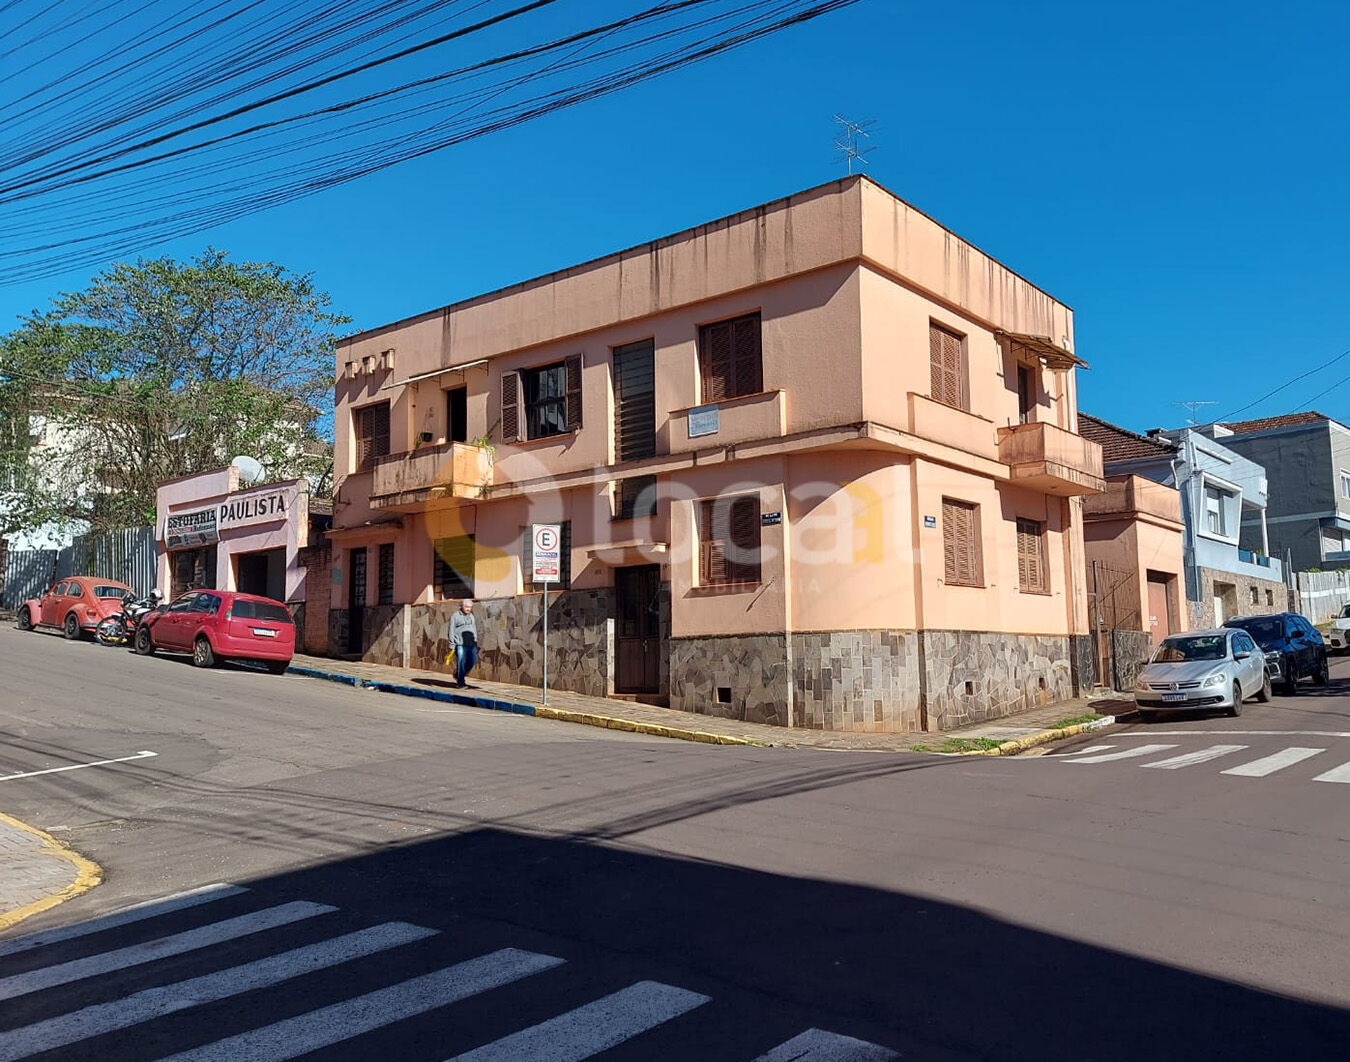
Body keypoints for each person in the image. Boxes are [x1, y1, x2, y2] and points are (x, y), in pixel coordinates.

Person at [449, 599, 478, 688]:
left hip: (471, 643)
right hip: (460, 643)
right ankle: (460, 682)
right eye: (466, 607)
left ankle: (458, 674)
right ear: (462, 606)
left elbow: (474, 629)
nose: (468, 609)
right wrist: (452, 644)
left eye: (470, 607)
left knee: (472, 661)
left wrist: (475, 640)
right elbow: (451, 630)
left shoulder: (471, 616)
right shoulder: (455, 616)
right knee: (461, 661)